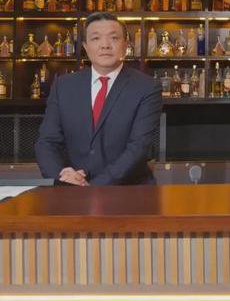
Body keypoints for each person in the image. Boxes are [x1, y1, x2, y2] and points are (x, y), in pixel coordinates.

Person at [36, 12, 162, 185]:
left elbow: (138, 147)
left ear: (125, 45)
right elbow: (47, 142)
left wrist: (93, 186)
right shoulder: (63, 86)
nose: (105, 45)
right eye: (96, 38)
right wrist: (61, 176)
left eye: (114, 38)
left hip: (128, 190)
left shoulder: (147, 87)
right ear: (86, 47)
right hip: (72, 188)